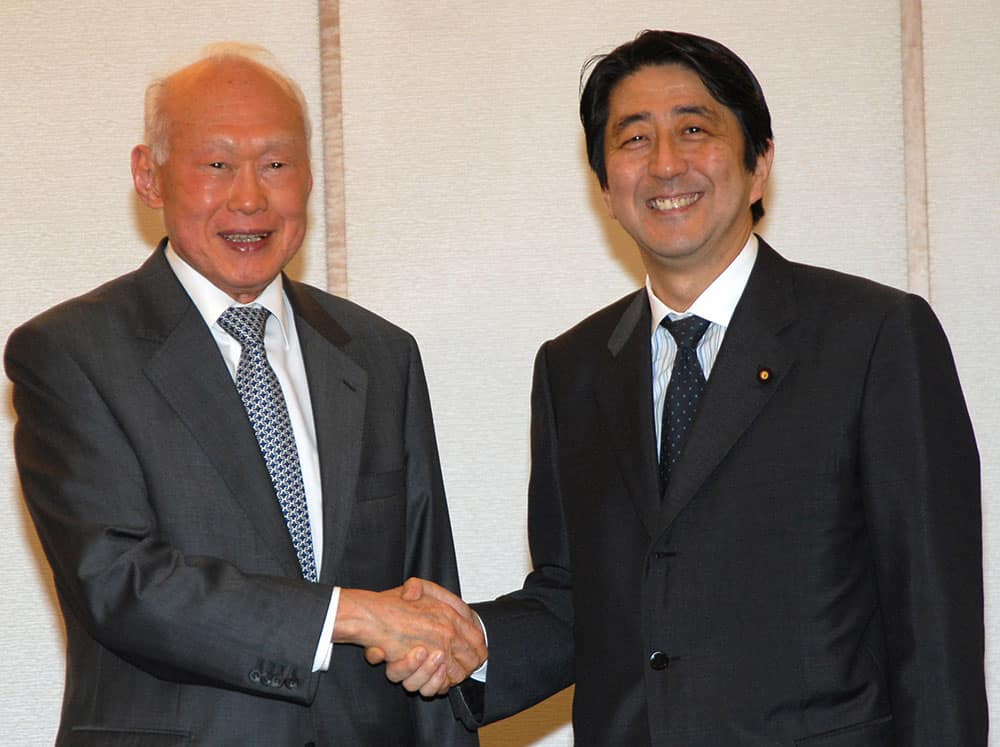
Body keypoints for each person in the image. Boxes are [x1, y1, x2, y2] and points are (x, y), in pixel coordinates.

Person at [399, 29, 987, 745]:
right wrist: (472, 643)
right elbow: (576, 602)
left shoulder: (874, 337)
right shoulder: (573, 368)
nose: (666, 164)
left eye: (694, 129)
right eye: (635, 139)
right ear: (606, 187)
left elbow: (933, 620)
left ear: (759, 161)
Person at [5, 43, 484, 745]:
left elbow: (427, 613)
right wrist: (346, 613)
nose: (250, 197)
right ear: (149, 175)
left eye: (276, 164)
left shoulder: (382, 355)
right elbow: (119, 582)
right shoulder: (71, 353)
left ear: (311, 178)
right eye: (217, 164)